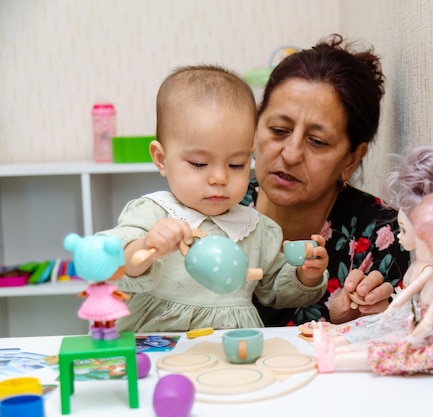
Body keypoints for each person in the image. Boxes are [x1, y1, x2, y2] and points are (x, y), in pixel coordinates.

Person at [99, 64, 329, 332]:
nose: (220, 178)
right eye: (198, 164)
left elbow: (276, 292)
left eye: (236, 165)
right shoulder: (153, 212)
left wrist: (305, 275)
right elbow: (113, 263)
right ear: (162, 159)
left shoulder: (256, 228)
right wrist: (146, 246)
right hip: (159, 341)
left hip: (231, 343)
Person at [241, 34, 411, 326]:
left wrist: (360, 321)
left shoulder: (381, 238)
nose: (291, 154)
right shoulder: (213, 207)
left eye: (317, 141)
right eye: (279, 129)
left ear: (352, 158)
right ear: (255, 127)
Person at [312, 156, 433, 380]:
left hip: (425, 341)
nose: (398, 236)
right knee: (373, 331)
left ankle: (335, 357)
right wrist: (392, 309)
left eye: (403, 230)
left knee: (382, 350)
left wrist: (412, 334)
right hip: (408, 326)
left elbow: (427, 322)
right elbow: (405, 295)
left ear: (425, 234)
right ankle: (335, 347)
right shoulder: (422, 270)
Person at [63, 233, 130, 340]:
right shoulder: (99, 287)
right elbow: (115, 293)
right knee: (102, 317)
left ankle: (105, 331)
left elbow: (89, 292)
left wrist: (121, 295)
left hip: (97, 304)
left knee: (104, 317)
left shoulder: (98, 287)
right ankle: (104, 332)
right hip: (103, 304)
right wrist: (123, 296)